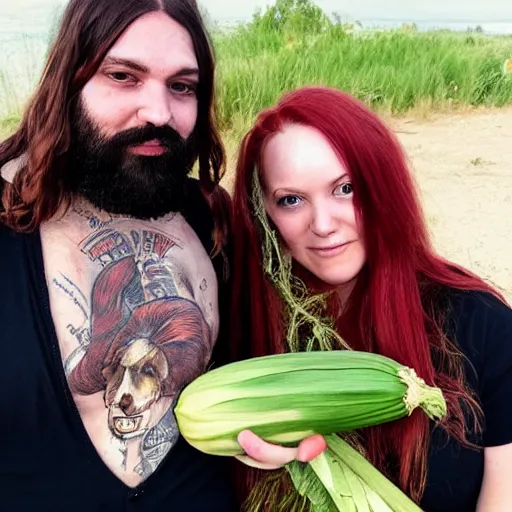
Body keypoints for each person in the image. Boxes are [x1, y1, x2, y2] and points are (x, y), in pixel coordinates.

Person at [0, 1, 318, 509]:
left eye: (182, 86)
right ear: (67, 81)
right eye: (124, 75)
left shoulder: (215, 221)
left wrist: (264, 434)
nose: (159, 112)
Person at [229, 86, 512, 511]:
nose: (323, 224)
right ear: (263, 215)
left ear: (383, 186)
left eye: (345, 189)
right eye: (291, 200)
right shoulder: (246, 334)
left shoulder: (484, 326)